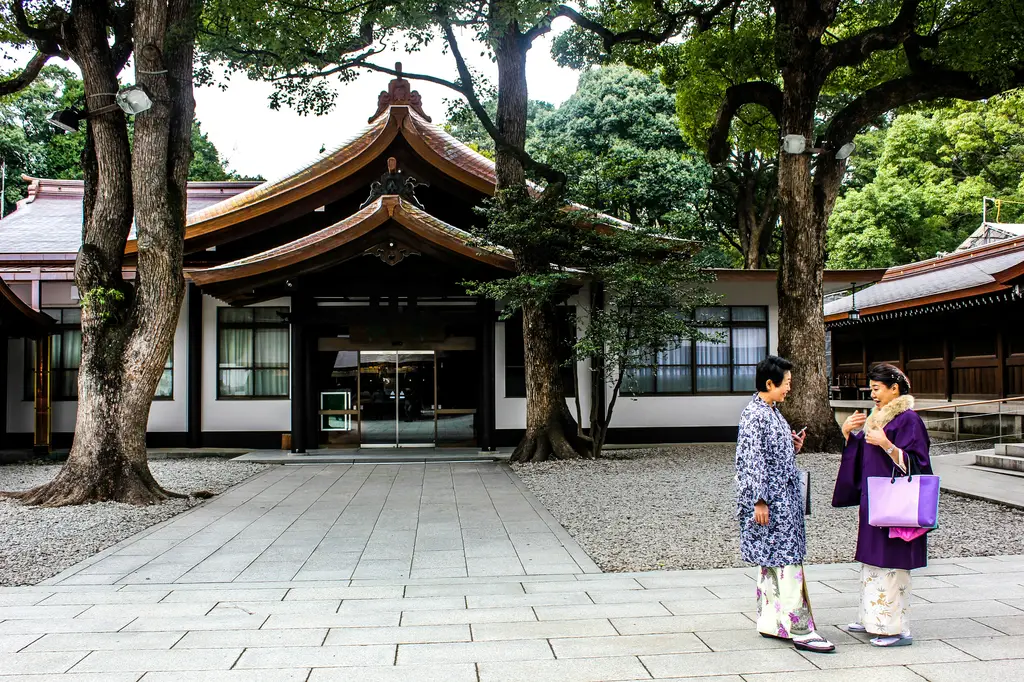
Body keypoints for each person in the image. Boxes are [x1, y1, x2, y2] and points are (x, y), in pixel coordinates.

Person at [736, 355, 835, 653]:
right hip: (772, 500)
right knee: (787, 559)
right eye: (787, 383)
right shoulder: (757, 414)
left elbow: (767, 455)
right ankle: (800, 628)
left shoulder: (769, 411)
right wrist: (759, 500)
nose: (789, 388)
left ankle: (772, 621)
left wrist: (791, 446)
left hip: (780, 498)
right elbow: (751, 462)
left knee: (772, 559)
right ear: (770, 383)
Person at [832, 363, 932, 648]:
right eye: (871, 389)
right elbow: (863, 453)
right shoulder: (879, 417)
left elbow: (919, 464)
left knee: (892, 562)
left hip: (896, 503)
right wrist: (849, 434)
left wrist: (887, 444)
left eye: (877, 389)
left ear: (894, 388)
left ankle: (896, 629)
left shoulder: (908, 419)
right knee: (872, 560)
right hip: (875, 498)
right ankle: (871, 619)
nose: (873, 394)